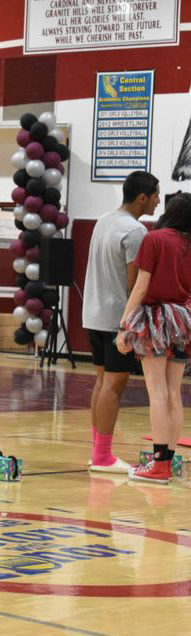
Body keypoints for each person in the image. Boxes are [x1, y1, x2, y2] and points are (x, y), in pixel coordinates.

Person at [82, 171, 159, 473]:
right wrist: (133, 325)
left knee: (102, 383)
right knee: (114, 386)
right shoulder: (135, 231)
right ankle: (103, 457)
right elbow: (134, 284)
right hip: (117, 320)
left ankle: (98, 452)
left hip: (92, 314)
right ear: (143, 197)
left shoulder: (104, 220)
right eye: (155, 195)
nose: (157, 201)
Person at [116, 191, 191, 485]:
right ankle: (167, 463)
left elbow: (140, 287)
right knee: (174, 393)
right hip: (184, 322)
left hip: (158, 320)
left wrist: (124, 326)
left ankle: (158, 466)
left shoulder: (155, 239)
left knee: (157, 393)